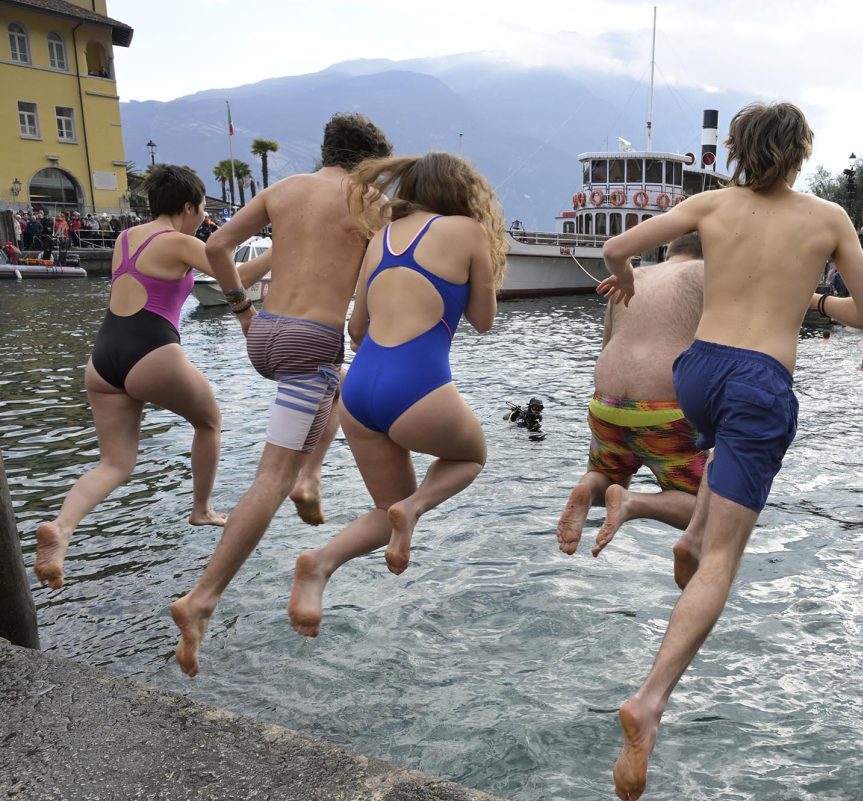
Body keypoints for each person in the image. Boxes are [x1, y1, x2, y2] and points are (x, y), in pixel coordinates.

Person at [594, 101, 863, 801]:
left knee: (717, 479)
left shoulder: (710, 205)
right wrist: (816, 304)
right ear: (802, 151)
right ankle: (651, 700)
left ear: (738, 150)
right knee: (728, 555)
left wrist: (629, 281)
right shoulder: (829, 218)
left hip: (696, 372)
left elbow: (615, 250)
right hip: (760, 377)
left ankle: (690, 531)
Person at [171, 113, 392, 676]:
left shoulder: (284, 189)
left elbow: (217, 246)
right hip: (311, 341)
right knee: (272, 476)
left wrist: (241, 309)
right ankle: (201, 601)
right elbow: (377, 282)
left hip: (264, 334)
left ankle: (310, 476)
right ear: (368, 164)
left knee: (343, 385)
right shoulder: (369, 202)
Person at [287, 151, 504, 638]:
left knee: (387, 512)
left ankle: (320, 564)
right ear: (460, 192)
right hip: (419, 384)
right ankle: (416, 508)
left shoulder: (380, 238)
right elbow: (485, 322)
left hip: (358, 393)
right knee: (470, 457)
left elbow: (357, 328)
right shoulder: (468, 232)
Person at [33, 166, 271, 589]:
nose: (203, 219)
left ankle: (62, 528)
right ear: (188, 207)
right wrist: (284, 248)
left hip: (104, 360)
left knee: (114, 462)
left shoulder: (126, 238)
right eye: (201, 210)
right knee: (209, 422)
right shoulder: (180, 241)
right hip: (152, 350)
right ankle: (202, 508)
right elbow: (240, 278)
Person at [556, 233, 707, 562]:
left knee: (606, 477)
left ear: (669, 251)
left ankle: (588, 488)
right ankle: (632, 502)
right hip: (665, 412)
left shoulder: (629, 277)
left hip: (606, 404)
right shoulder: (706, 275)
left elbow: (607, 344)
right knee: (708, 510)